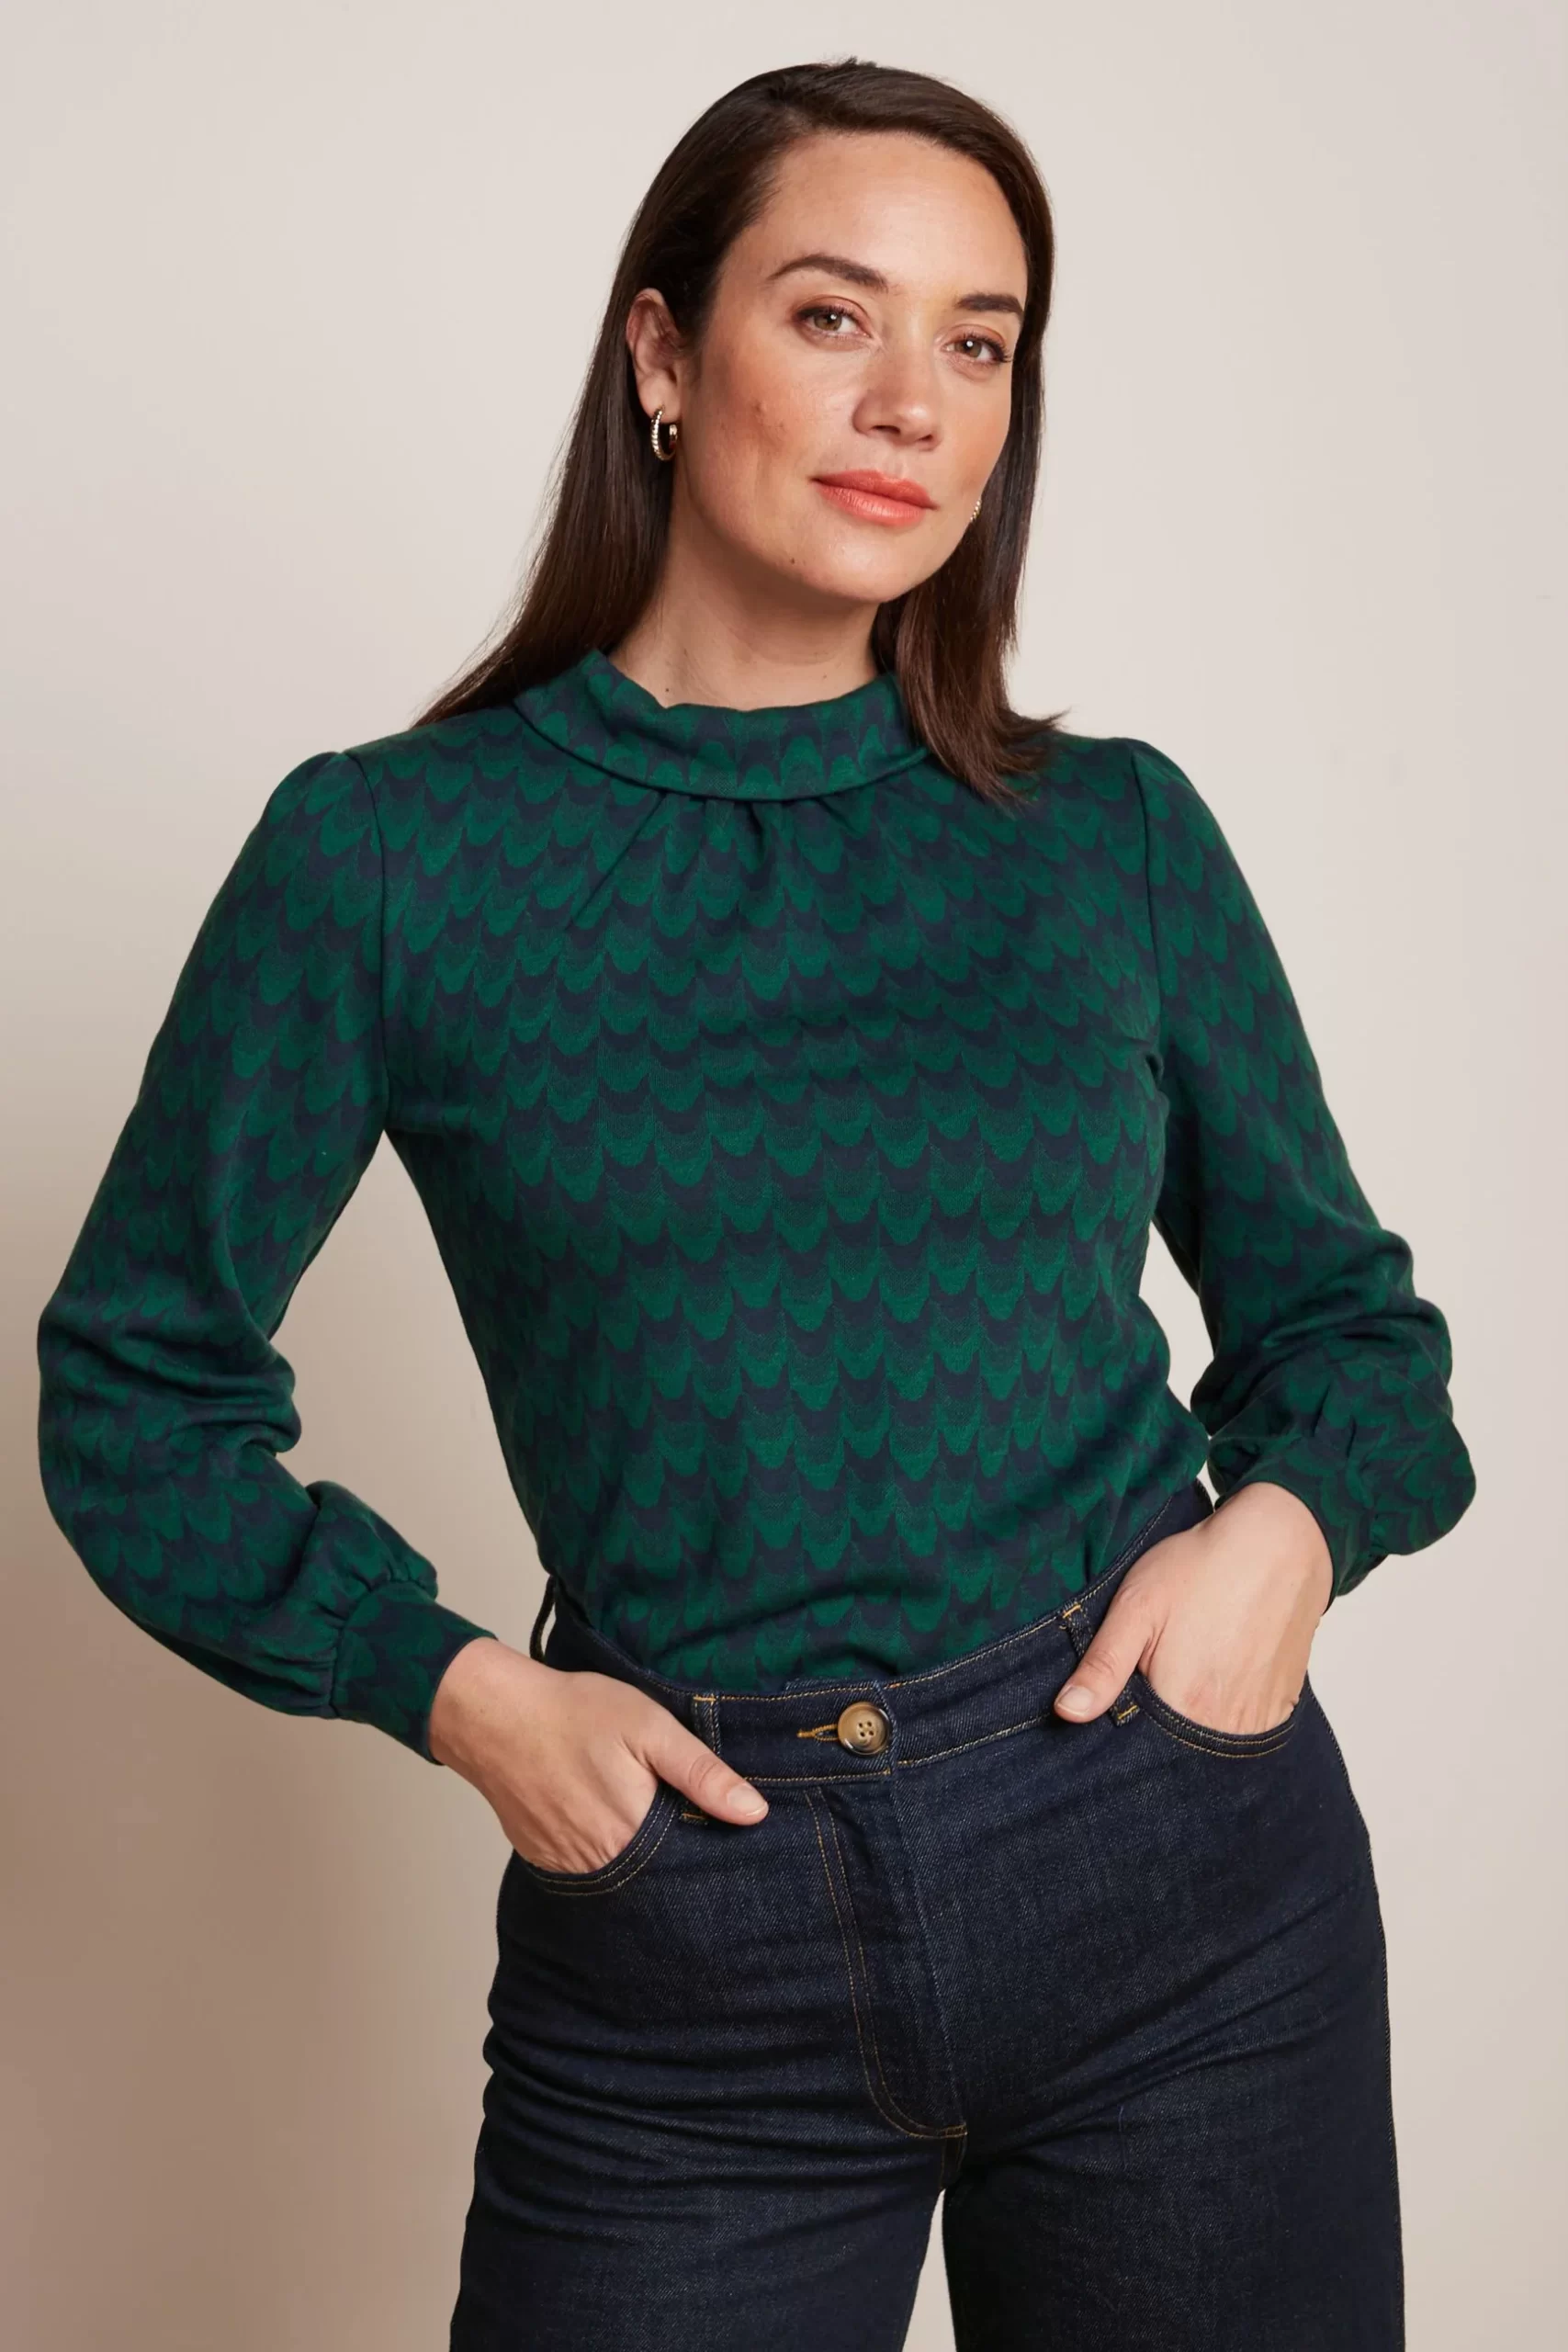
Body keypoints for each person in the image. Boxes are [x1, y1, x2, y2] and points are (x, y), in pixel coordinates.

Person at [36, 56, 1474, 2352]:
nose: (912, 399)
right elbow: (134, 1391)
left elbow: (1355, 1344)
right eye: (831, 314)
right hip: (682, 1943)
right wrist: (460, 1692)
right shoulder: (389, 859)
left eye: (978, 341)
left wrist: (1282, 1540)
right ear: (661, 350)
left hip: (1177, 1889)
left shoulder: (1106, 835)